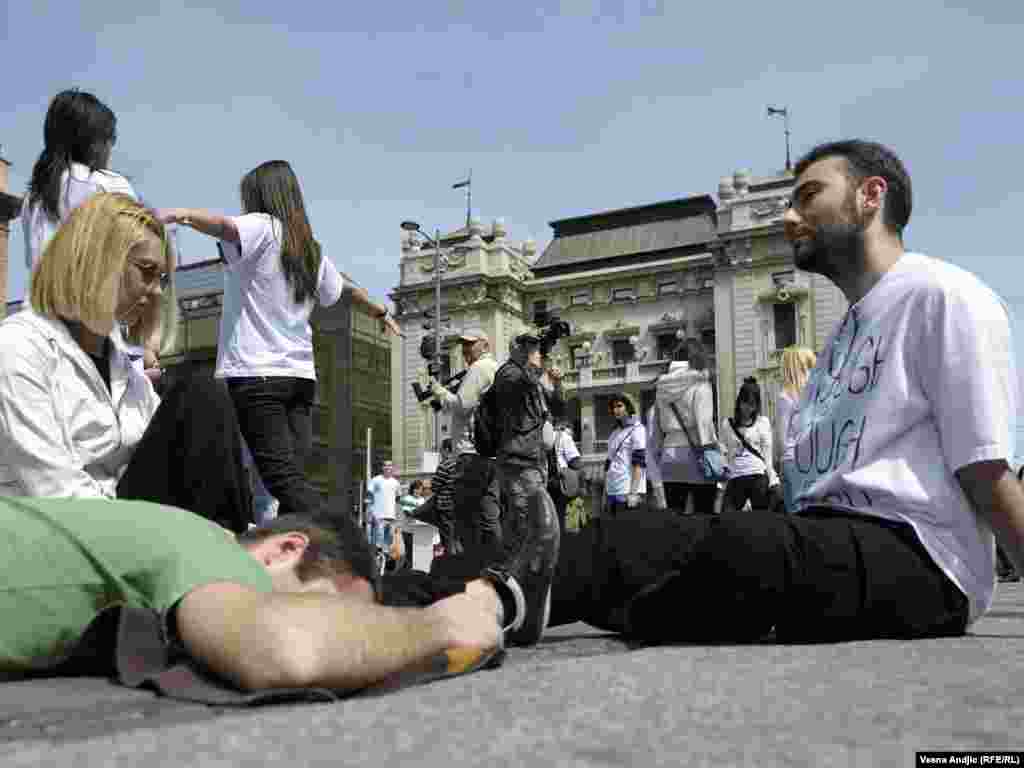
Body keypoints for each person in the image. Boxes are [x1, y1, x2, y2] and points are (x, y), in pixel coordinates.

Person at [0, 493, 559, 690]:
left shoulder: (160, 536)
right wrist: (443, 624)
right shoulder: (204, 545)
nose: (347, 639)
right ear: (285, 550)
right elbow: (287, 650)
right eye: (334, 614)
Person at [157, 159, 401, 519]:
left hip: (258, 375)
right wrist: (379, 310)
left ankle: (342, 542)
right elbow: (342, 290)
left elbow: (225, 227)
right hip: (300, 379)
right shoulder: (309, 247)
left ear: (260, 196)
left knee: (279, 479)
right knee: (289, 482)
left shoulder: (264, 226)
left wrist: (180, 215)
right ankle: (295, 564)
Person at [0, 193, 254, 531]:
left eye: (161, 278)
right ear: (96, 261)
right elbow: (53, 491)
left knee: (202, 398)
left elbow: (169, 462)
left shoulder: (123, 368)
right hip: (58, 535)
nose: (158, 291)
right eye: (147, 272)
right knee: (201, 393)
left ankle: (238, 545)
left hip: (121, 522)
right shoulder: (19, 347)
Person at [21, 88, 173, 374]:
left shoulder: (35, 198)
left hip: (38, 335)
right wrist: (149, 349)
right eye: (109, 140)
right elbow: (145, 268)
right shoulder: (108, 185)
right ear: (93, 141)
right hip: (92, 336)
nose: (110, 150)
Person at [428, 329, 500, 554]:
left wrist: (439, 392)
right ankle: (494, 560)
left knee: (465, 514)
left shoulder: (478, 369)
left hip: (470, 453)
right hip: (490, 454)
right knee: (489, 513)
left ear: (485, 345)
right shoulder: (494, 368)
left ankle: (471, 565)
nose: (465, 349)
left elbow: (462, 405)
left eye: (471, 344)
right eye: (464, 345)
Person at [647, 339, 719, 516]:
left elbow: (655, 432)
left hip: (669, 456)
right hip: (696, 454)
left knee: (675, 518)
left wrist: (656, 462)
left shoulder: (661, 387)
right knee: (704, 516)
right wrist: (714, 452)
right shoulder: (700, 382)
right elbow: (704, 424)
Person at [719, 377, 779, 514]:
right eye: (745, 403)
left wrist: (773, 480)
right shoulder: (727, 424)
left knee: (761, 520)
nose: (748, 408)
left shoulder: (762, 423)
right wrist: (722, 482)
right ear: (739, 402)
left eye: (752, 405)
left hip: (758, 476)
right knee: (726, 519)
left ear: (756, 406)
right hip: (735, 477)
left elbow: (767, 457)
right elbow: (723, 453)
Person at [775, 346, 817, 512]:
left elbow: (782, 440)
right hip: (811, 459)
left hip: (792, 460)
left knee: (795, 512)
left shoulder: (785, 397)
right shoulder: (812, 396)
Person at [603, 394, 646, 519]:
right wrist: (604, 493)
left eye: (619, 406)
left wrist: (633, 493)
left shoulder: (637, 429)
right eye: (613, 407)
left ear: (628, 407)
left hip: (626, 490)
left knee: (627, 533)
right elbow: (608, 463)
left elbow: (639, 462)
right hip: (612, 489)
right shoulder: (614, 432)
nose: (616, 409)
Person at [548, 422, 582, 533]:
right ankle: (573, 534)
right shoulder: (564, 437)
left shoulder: (541, 436)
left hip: (548, 481)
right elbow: (575, 463)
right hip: (563, 483)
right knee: (571, 514)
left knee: (555, 518)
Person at [367, 460, 402, 555]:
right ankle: (377, 552)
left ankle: (385, 555)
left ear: (393, 468)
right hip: (378, 514)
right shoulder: (375, 480)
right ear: (382, 468)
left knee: (389, 536)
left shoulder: (396, 483)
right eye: (385, 465)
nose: (387, 467)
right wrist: (369, 511)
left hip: (391, 514)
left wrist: (398, 515)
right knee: (379, 535)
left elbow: (398, 499)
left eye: (390, 466)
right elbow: (369, 495)